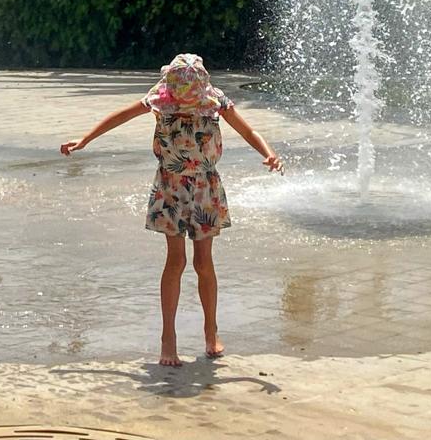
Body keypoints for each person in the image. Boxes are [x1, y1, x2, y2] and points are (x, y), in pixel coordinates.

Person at [61, 53, 283, 367]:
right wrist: (85, 139)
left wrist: (270, 154)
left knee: (204, 262)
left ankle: (210, 329)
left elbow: (248, 132)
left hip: (206, 187)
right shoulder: (160, 101)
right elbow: (120, 116)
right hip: (171, 186)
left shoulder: (215, 101)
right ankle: (169, 337)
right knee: (175, 260)